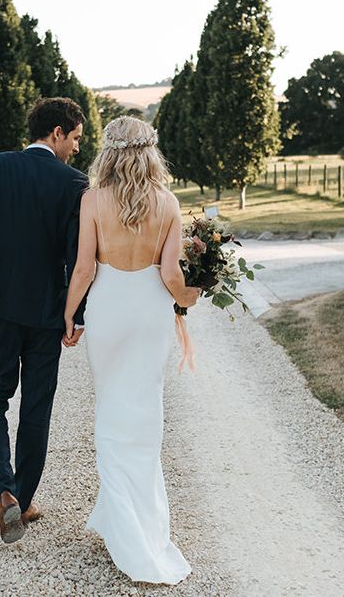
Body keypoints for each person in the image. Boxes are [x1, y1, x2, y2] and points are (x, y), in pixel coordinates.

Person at [63, 116, 198, 584]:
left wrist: (69, 314)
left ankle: (123, 522)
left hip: (109, 312)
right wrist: (191, 296)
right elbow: (172, 278)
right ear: (150, 152)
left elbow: (83, 269)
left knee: (112, 412)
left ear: (110, 153)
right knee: (144, 413)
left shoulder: (93, 200)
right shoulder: (168, 202)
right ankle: (129, 521)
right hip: (149, 314)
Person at [0, 97, 89, 543]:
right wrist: (76, 314)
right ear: (56, 133)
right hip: (47, 312)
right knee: (37, 405)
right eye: (73, 138)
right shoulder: (74, 182)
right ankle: (25, 498)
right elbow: (76, 257)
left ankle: (4, 492)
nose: (74, 148)